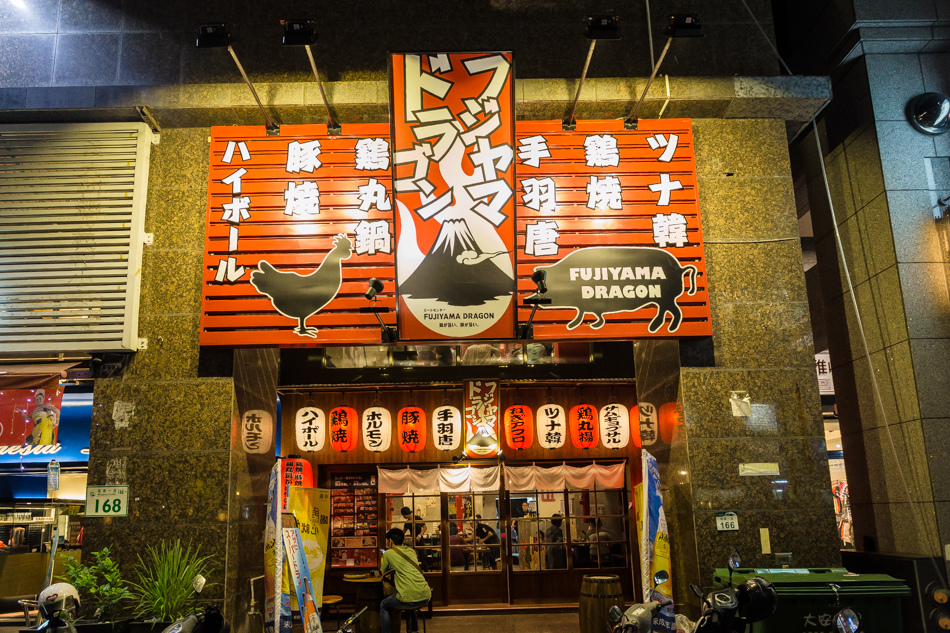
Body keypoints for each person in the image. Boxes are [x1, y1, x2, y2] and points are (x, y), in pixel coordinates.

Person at [380, 528, 431, 633]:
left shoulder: (388, 554)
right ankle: (414, 630)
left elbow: (383, 572)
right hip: (425, 595)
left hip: (409, 597)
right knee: (410, 598)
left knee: (384, 605)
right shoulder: (411, 551)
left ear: (391, 541)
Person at [401, 506, 428, 570]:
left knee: (422, 556)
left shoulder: (417, 518)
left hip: (420, 539)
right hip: (413, 540)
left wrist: (420, 535)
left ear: (405, 515)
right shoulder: (407, 522)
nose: (403, 517)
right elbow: (403, 531)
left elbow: (425, 527)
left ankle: (425, 570)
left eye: (403, 515)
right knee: (413, 556)